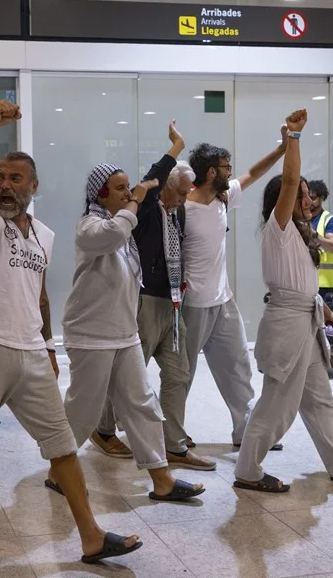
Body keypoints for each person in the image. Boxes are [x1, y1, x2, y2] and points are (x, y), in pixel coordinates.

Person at [0, 100, 141, 564]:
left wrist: (48, 344)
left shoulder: (44, 235)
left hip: (31, 350)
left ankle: (90, 534)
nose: (5, 185)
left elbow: (40, 295)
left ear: (34, 187)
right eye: (1, 178)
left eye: (15, 179)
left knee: (62, 445)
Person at [233, 109, 333, 493]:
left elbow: (308, 288)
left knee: (320, 400)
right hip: (287, 324)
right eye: (300, 195)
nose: (307, 200)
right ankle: (248, 471)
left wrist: (330, 315)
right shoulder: (278, 228)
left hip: (307, 320)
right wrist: (294, 139)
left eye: (307, 196)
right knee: (276, 405)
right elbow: (287, 181)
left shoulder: (302, 235)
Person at [56, 161, 207, 501]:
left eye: (128, 188)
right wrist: (136, 201)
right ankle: (57, 469)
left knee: (143, 404)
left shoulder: (122, 228)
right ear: (102, 193)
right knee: (84, 410)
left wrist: (132, 204)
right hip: (91, 335)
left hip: (124, 334)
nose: (128, 192)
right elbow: (112, 235)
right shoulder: (90, 226)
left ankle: (161, 478)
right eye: (121, 188)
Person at [94, 130, 216, 472]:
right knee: (129, 375)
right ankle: (103, 430)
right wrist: (176, 146)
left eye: (184, 195)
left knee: (179, 373)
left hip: (172, 302)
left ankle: (174, 444)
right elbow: (152, 177)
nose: (180, 200)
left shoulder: (178, 212)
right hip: (144, 302)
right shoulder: (144, 206)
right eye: (176, 193)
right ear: (164, 185)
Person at [181, 129, 288, 449]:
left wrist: (282, 149)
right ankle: (171, 432)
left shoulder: (222, 198)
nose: (231, 173)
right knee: (181, 375)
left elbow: (253, 173)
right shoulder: (182, 209)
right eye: (226, 167)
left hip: (223, 300)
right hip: (192, 303)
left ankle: (247, 431)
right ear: (211, 172)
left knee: (238, 367)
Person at [308, 180, 333, 311]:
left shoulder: (329, 220)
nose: (310, 201)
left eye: (313, 198)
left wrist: (315, 236)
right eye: (307, 198)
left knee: (323, 327)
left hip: (323, 286)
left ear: (322, 198)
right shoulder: (301, 218)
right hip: (303, 283)